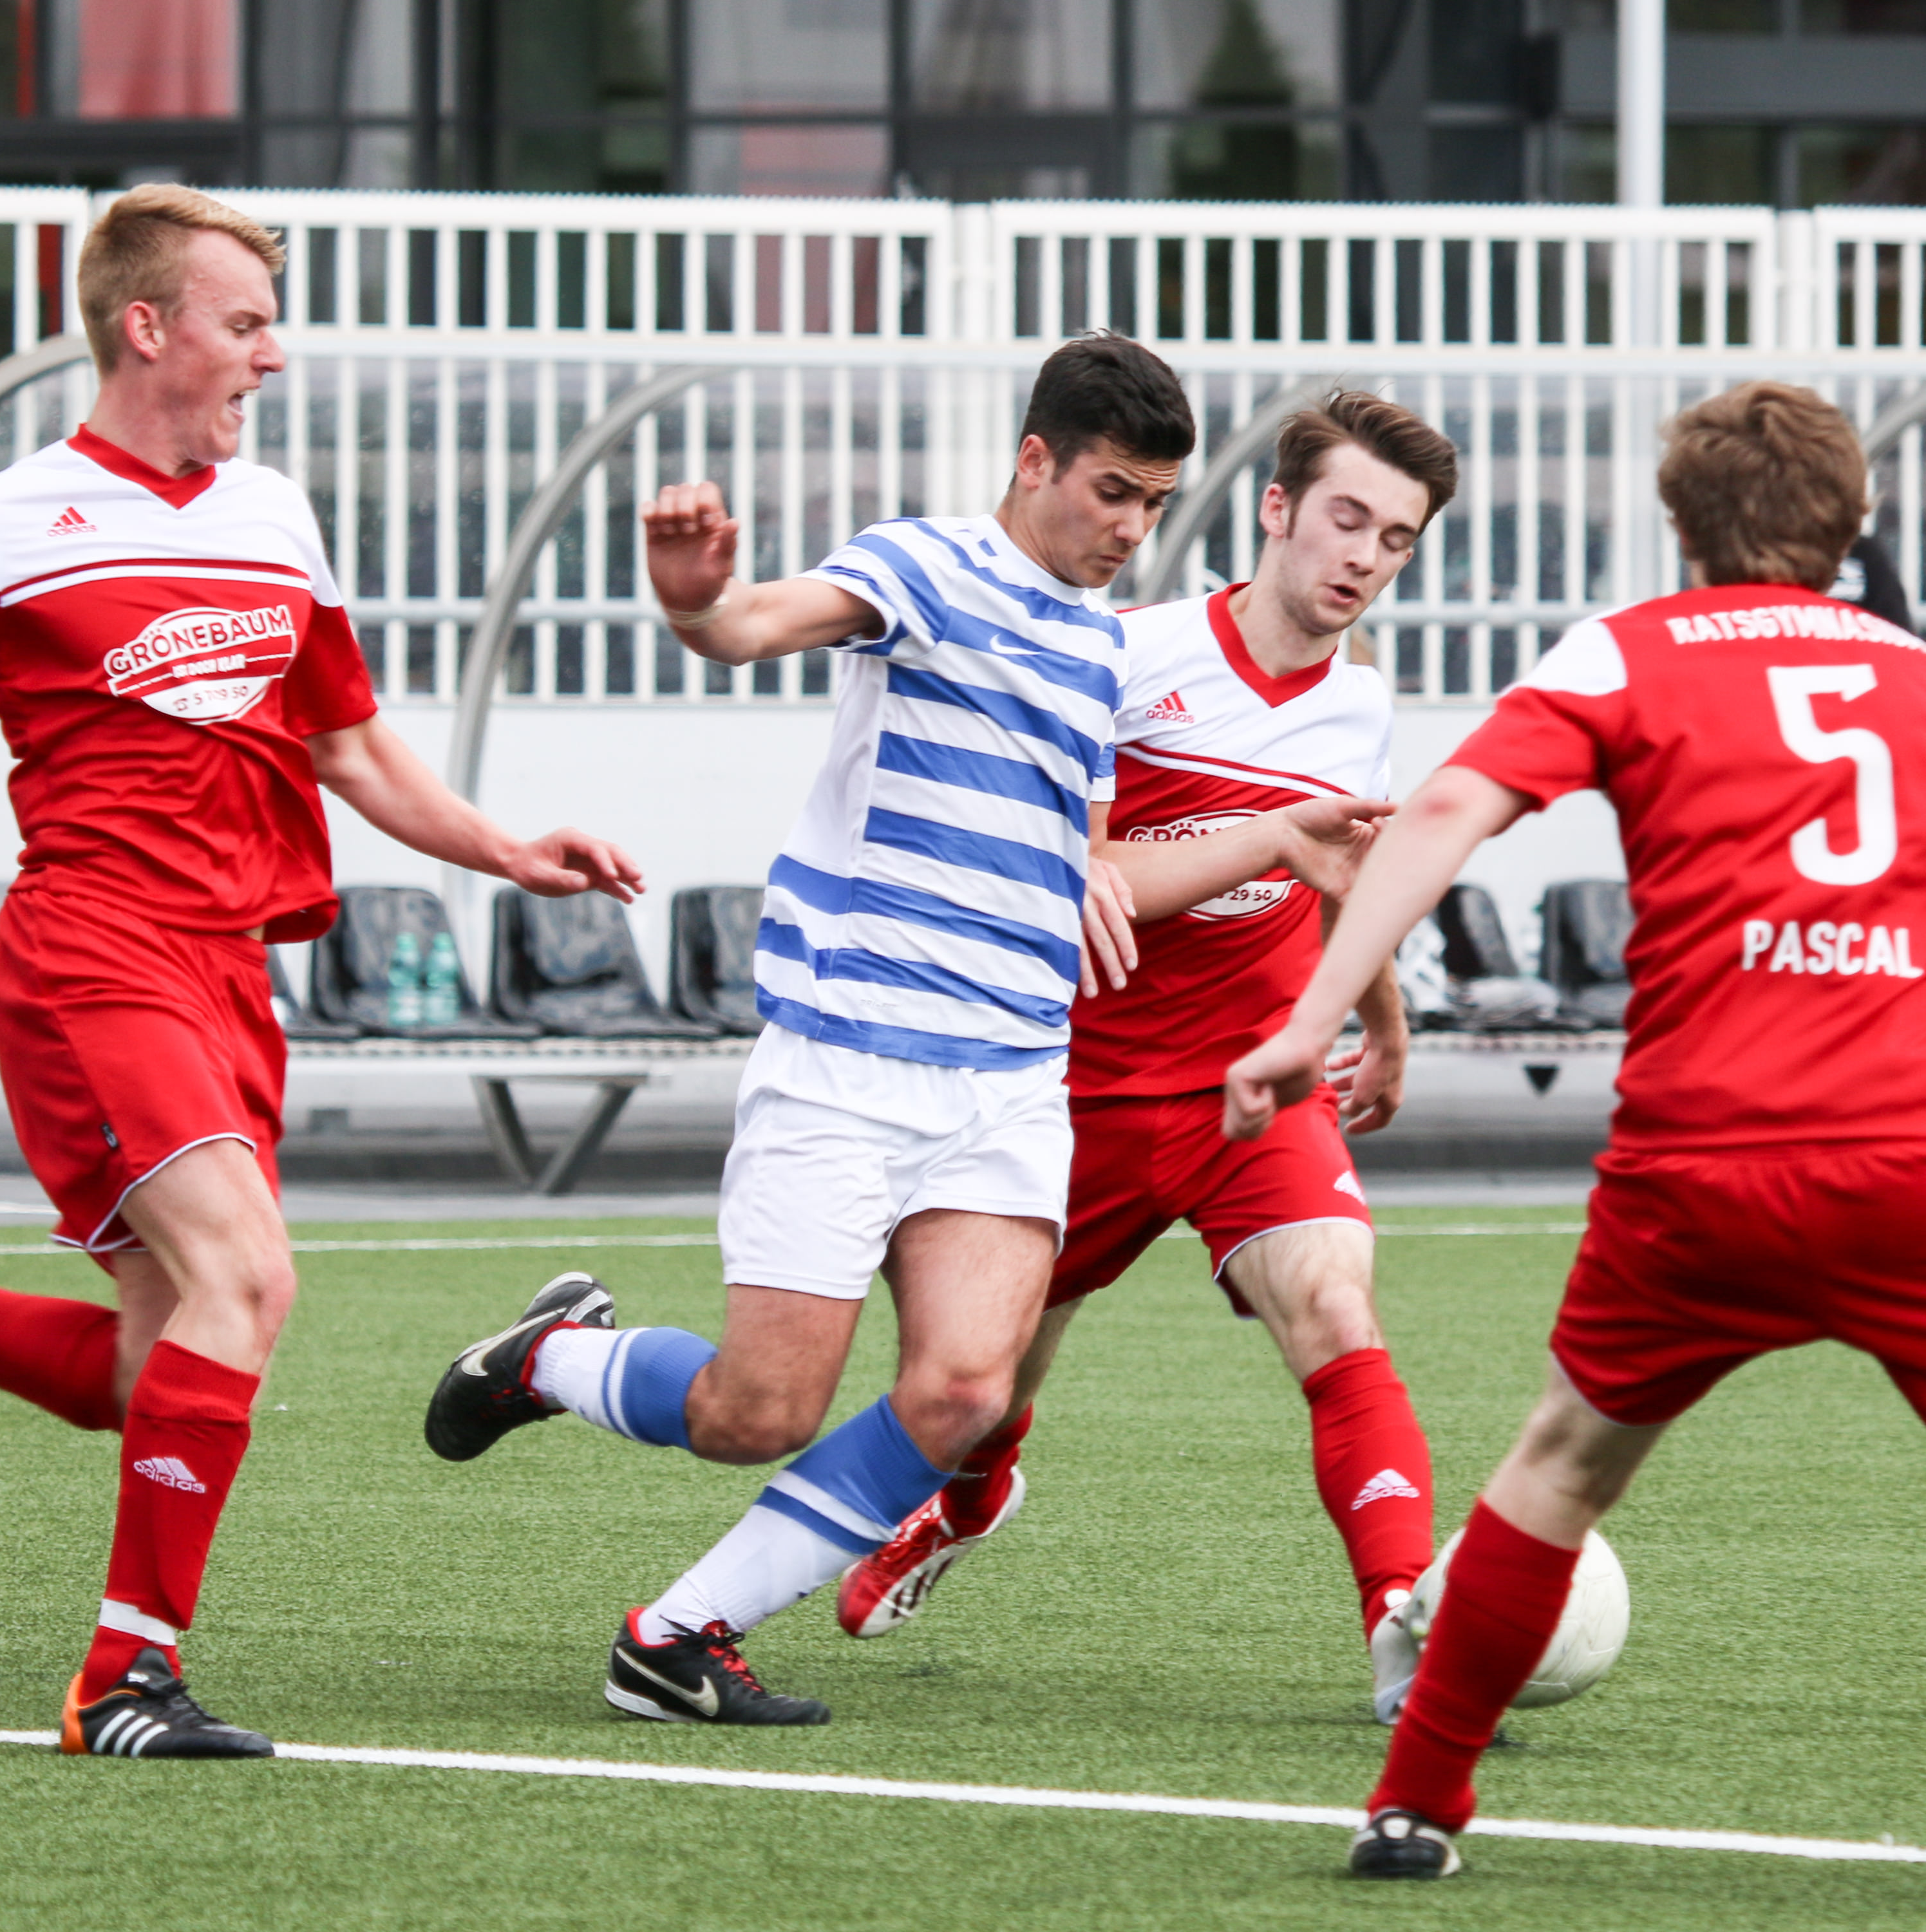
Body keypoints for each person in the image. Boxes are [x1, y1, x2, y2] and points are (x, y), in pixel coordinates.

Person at [0, 184, 640, 1758]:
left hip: (231, 972)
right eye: (247, 325)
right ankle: (125, 1677)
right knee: (249, 1282)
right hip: (94, 954)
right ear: (148, 328)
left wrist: (506, 848)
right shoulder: (4, 520)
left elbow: (351, 745)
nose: (273, 357)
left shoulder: (275, 514)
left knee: (149, 1358)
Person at [1223, 380, 1926, 1879]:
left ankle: (1414, 1808)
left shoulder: (1628, 650)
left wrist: (1310, 1017)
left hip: (1700, 1163)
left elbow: (1449, 809)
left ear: (1684, 523)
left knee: (1558, 1470)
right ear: (1852, 527)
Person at [422, 333, 1358, 1727]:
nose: (1130, 529)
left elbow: (1093, 862)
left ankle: (675, 1637)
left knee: (965, 1391)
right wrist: (695, 600)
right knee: (759, 1413)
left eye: (1155, 505)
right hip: (852, 1060)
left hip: (1010, 1077)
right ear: (1034, 459)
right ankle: (550, 1356)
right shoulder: (925, 567)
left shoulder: (1098, 649)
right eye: (1111, 491)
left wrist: (1272, 837)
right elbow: (751, 624)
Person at [831, 392, 1460, 1733]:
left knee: (1337, 1311)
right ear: (1277, 509)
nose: (1364, 556)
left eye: (1396, 539)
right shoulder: (1124, 656)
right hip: (1075, 1094)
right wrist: (1234, 845)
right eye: (1347, 518)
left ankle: (1405, 1629)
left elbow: (1346, 878)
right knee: (976, 1392)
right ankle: (970, 1499)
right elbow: (1070, 862)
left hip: (1252, 1088)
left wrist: (1384, 1021)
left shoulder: (1360, 702)